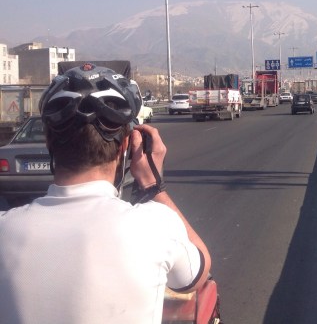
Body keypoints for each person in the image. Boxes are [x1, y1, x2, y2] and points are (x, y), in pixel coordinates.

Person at [0, 63, 211, 323]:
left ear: (48, 142)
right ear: (127, 146)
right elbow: (196, 277)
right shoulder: (155, 224)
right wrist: (153, 185)